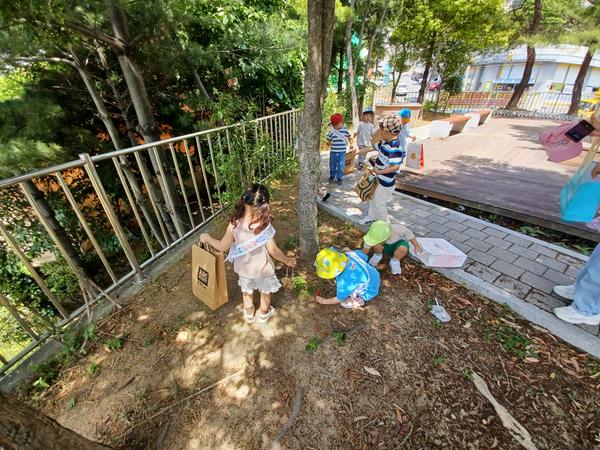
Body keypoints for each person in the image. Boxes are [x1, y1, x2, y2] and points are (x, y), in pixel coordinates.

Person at [199, 184, 296, 324]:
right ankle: (264, 313)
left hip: (244, 269)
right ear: (264, 205)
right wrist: (287, 260)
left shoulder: (234, 224)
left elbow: (222, 246)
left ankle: (249, 313)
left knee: (247, 291)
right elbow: (274, 251)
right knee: (265, 291)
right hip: (263, 270)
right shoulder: (264, 226)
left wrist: (207, 238)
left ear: (243, 200)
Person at [357, 114, 406, 224]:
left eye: (381, 130)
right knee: (374, 198)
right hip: (379, 179)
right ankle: (371, 218)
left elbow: (395, 167)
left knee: (379, 203)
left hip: (386, 183)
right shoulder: (385, 143)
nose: (379, 132)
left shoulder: (394, 148)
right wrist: (358, 152)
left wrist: (379, 171)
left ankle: (385, 225)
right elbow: (371, 148)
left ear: (389, 132)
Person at [315, 247, 380, 309]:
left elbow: (339, 298)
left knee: (343, 303)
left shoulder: (344, 281)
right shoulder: (351, 255)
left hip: (369, 291)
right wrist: (350, 251)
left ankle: (358, 301)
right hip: (374, 275)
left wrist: (324, 301)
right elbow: (364, 256)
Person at [326, 113, 353, 185]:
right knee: (332, 165)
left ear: (341, 122)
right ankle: (332, 175)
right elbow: (328, 140)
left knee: (341, 165)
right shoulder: (332, 131)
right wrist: (329, 143)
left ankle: (339, 177)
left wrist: (351, 144)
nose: (335, 126)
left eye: (336, 124)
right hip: (333, 152)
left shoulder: (344, 130)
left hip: (342, 152)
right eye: (334, 125)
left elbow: (349, 137)